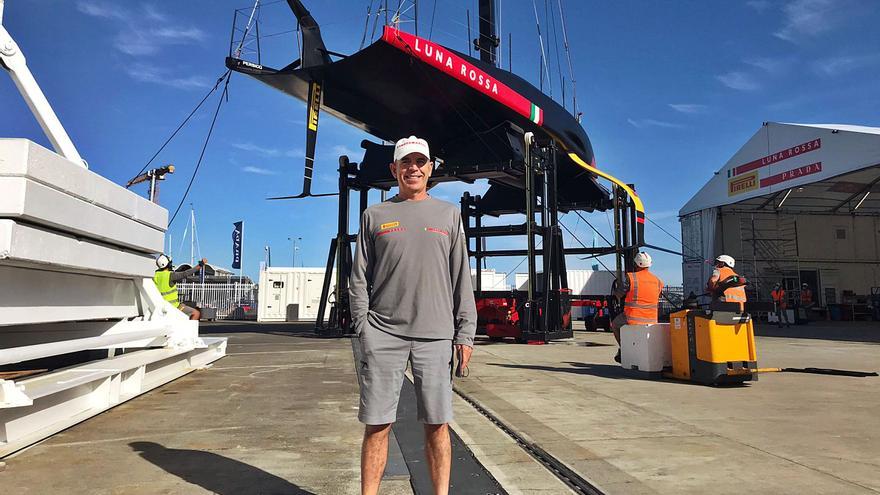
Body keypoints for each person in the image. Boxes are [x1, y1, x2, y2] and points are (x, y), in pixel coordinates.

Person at [349, 136, 476, 495]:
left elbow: (460, 276)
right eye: (406, 162)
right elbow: (359, 278)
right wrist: (364, 328)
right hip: (383, 334)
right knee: (377, 424)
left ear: (430, 169)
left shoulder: (448, 215)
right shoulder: (375, 216)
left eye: (420, 162)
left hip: (435, 335)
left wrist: (465, 334)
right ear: (394, 169)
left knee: (437, 424)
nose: (413, 168)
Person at [610, 251, 664, 363]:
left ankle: (623, 349)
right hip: (652, 319)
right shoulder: (658, 281)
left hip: (632, 318)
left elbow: (619, 293)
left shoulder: (631, 278)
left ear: (636, 265)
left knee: (615, 324)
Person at [153, 255, 207, 320]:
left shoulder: (155, 275)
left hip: (161, 307)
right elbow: (185, 273)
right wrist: (201, 264)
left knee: (183, 306)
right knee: (196, 313)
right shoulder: (170, 275)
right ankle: (188, 330)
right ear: (168, 264)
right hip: (173, 307)